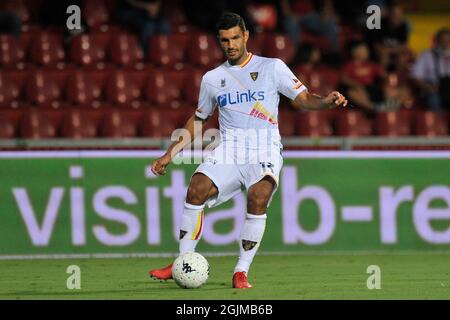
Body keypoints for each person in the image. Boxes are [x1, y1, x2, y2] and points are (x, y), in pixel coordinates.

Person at [148, 12, 347, 289]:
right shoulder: (212, 78)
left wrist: (325, 101)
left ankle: (241, 270)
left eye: (234, 38)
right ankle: (183, 261)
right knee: (196, 188)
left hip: (264, 149)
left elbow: (303, 99)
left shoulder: (272, 67)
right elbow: (199, 119)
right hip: (230, 149)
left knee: (259, 195)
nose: (229, 44)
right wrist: (170, 154)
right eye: (224, 40)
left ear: (245, 36)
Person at [412, 28, 450, 111]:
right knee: (434, 99)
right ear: (436, 40)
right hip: (432, 87)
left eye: (447, 40)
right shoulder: (426, 55)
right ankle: (437, 122)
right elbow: (416, 76)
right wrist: (427, 87)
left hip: (447, 87)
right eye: (443, 40)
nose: (445, 43)